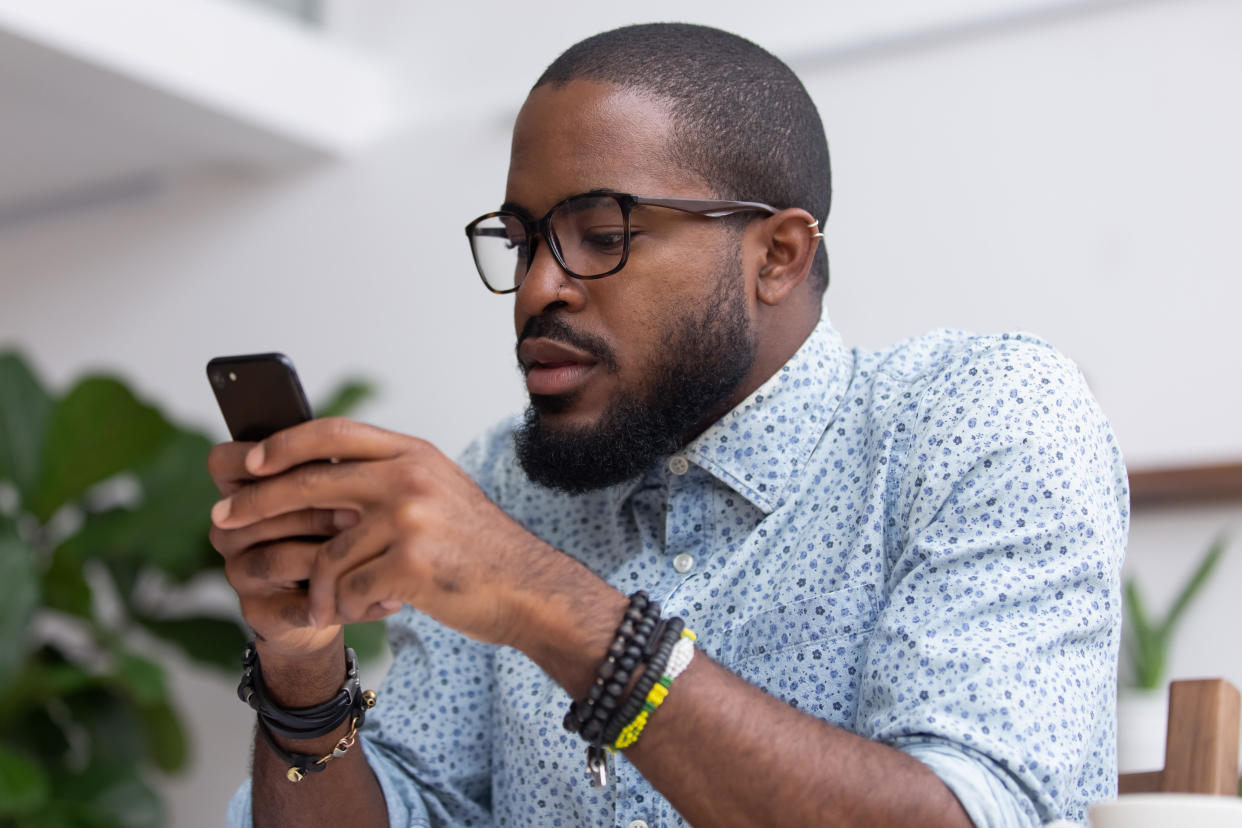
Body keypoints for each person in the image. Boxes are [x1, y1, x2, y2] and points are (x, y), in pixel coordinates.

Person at [212, 23, 1127, 828]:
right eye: (523, 240)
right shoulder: (501, 480)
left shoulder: (977, 421)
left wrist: (546, 604)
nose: (537, 288)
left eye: (602, 233)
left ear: (777, 254)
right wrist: (304, 680)